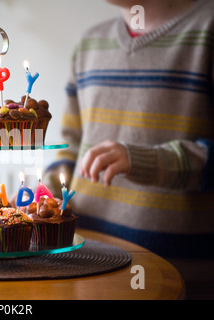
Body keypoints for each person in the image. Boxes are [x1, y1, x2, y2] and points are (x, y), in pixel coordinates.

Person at [44, 0, 214, 298]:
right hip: (85, 267)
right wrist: (47, 194)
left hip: (179, 276)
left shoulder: (207, 27)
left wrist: (147, 161)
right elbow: (71, 144)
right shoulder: (89, 43)